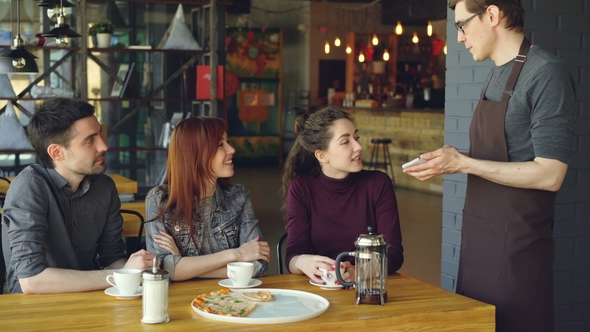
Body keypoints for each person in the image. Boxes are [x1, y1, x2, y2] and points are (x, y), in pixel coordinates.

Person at [403, 1, 577, 331]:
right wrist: (451, 160)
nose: (460, 38)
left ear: (492, 15)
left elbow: (551, 173)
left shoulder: (546, 74)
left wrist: (465, 163)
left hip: (518, 252)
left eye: (463, 26)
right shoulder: (496, 72)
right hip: (478, 244)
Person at [1, 98, 155, 294]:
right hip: (36, 310)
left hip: (91, 300)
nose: (104, 146)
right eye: (90, 140)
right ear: (57, 152)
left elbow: (112, 257)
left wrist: (138, 272)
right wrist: (123, 274)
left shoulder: (104, 187)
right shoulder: (29, 187)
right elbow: (32, 281)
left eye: (99, 134)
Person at [281, 106, 404, 285]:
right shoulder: (301, 187)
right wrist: (303, 262)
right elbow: (293, 256)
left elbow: (394, 253)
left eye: (356, 137)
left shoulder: (378, 183)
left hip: (368, 288)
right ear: (322, 155)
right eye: (346, 142)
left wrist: (360, 271)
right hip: (320, 290)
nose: (359, 146)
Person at [145, 117, 269, 281]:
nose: (231, 149)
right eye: (220, 145)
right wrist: (235, 255)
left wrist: (184, 264)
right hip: (182, 301)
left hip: (230, 299)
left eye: (227, 142)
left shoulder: (239, 197)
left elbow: (259, 265)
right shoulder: (160, 201)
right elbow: (159, 269)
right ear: (194, 154)